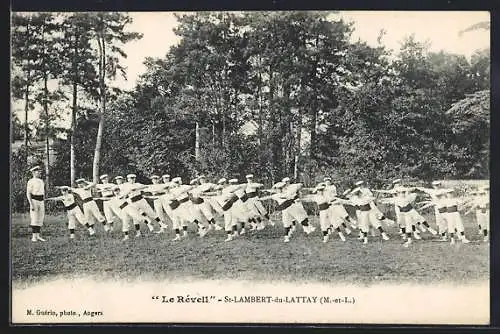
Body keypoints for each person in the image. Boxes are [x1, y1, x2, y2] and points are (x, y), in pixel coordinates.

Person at [26, 166, 46, 242]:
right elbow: (28, 193)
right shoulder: (30, 181)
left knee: (40, 218)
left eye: (40, 171)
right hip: (34, 200)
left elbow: (42, 192)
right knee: (34, 218)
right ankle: (33, 237)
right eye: (38, 171)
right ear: (33, 172)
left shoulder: (41, 181)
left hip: (41, 201)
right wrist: (31, 204)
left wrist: (43, 200)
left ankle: (38, 236)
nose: (39, 172)